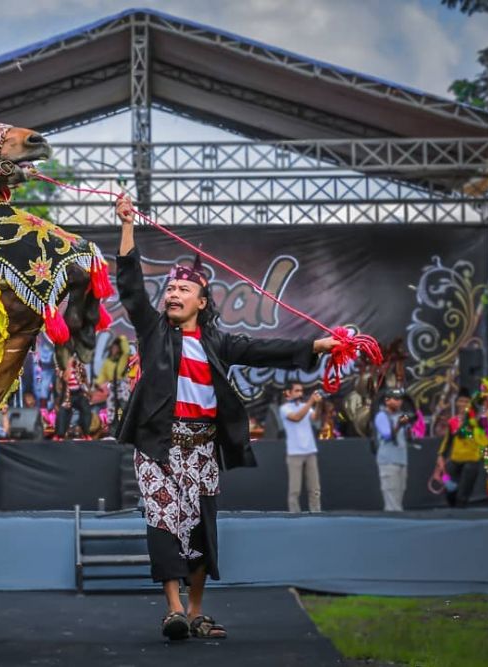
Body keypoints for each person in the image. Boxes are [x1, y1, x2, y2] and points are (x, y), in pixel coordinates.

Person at [114, 194, 340, 641]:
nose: (173, 294)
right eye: (171, 290)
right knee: (164, 522)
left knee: (200, 525)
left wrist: (317, 346)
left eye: (184, 290)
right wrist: (126, 226)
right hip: (157, 447)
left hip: (202, 449)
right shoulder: (153, 331)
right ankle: (174, 611)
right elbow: (131, 286)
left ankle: (197, 612)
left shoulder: (220, 342)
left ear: (201, 301)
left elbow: (267, 349)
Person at [279, 381, 322, 513]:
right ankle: (294, 517)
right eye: (297, 391)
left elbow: (315, 418)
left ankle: (316, 514)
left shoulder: (306, 406)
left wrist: (319, 404)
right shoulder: (284, 409)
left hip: (310, 451)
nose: (300, 393)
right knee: (295, 490)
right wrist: (311, 401)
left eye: (301, 391)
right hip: (294, 453)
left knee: (315, 489)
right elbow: (297, 417)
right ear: (289, 393)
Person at [436, 389, 483, 508]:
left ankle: (461, 517)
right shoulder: (453, 421)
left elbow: (479, 437)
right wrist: (441, 456)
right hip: (455, 459)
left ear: (470, 404)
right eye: (460, 401)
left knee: (462, 495)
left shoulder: (477, 421)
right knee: (449, 490)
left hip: (471, 460)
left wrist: (470, 423)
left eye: (466, 401)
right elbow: (447, 441)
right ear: (456, 403)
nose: (462, 404)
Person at [373, 387, 412, 512]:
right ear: (387, 401)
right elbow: (387, 435)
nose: (399, 402)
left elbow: (410, 436)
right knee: (391, 495)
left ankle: (398, 521)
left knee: (400, 494)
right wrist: (399, 425)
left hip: (401, 459)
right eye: (395, 399)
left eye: (400, 399)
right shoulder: (381, 416)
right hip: (388, 460)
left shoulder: (402, 416)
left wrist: (408, 426)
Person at [96, 334, 132, 427]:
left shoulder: (123, 358)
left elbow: (127, 350)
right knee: (111, 411)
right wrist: (97, 384)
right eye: (112, 348)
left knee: (125, 408)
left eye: (116, 347)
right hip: (112, 387)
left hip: (122, 386)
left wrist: (120, 338)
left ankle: (127, 428)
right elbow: (102, 375)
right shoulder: (108, 362)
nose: (114, 350)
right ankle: (113, 431)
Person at [55, 352, 92, 439]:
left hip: (79, 393)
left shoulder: (79, 366)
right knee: (63, 411)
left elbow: (85, 378)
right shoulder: (62, 368)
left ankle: (86, 433)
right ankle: (60, 435)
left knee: (85, 408)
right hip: (67, 395)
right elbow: (62, 380)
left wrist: (89, 391)